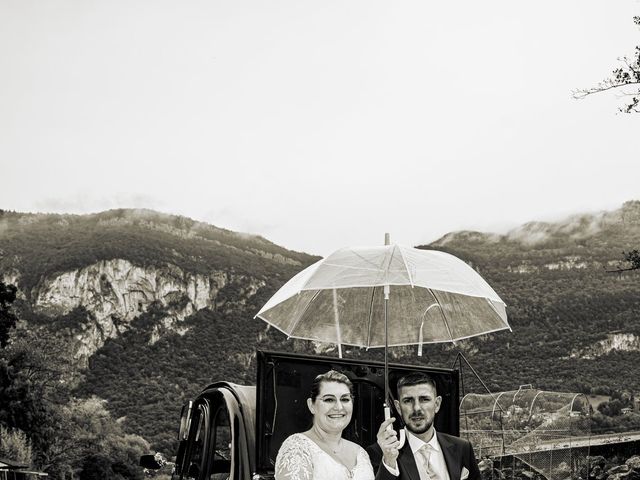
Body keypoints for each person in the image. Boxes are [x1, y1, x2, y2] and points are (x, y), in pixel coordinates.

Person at [367, 372, 480, 480]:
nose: (416, 408)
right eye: (408, 401)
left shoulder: (462, 448)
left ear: (437, 404)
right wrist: (389, 461)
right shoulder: (380, 452)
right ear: (398, 407)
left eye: (424, 399)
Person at [275, 370, 375, 480]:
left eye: (345, 399)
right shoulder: (297, 448)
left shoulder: (361, 453)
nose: (339, 407)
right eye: (329, 399)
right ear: (311, 405)